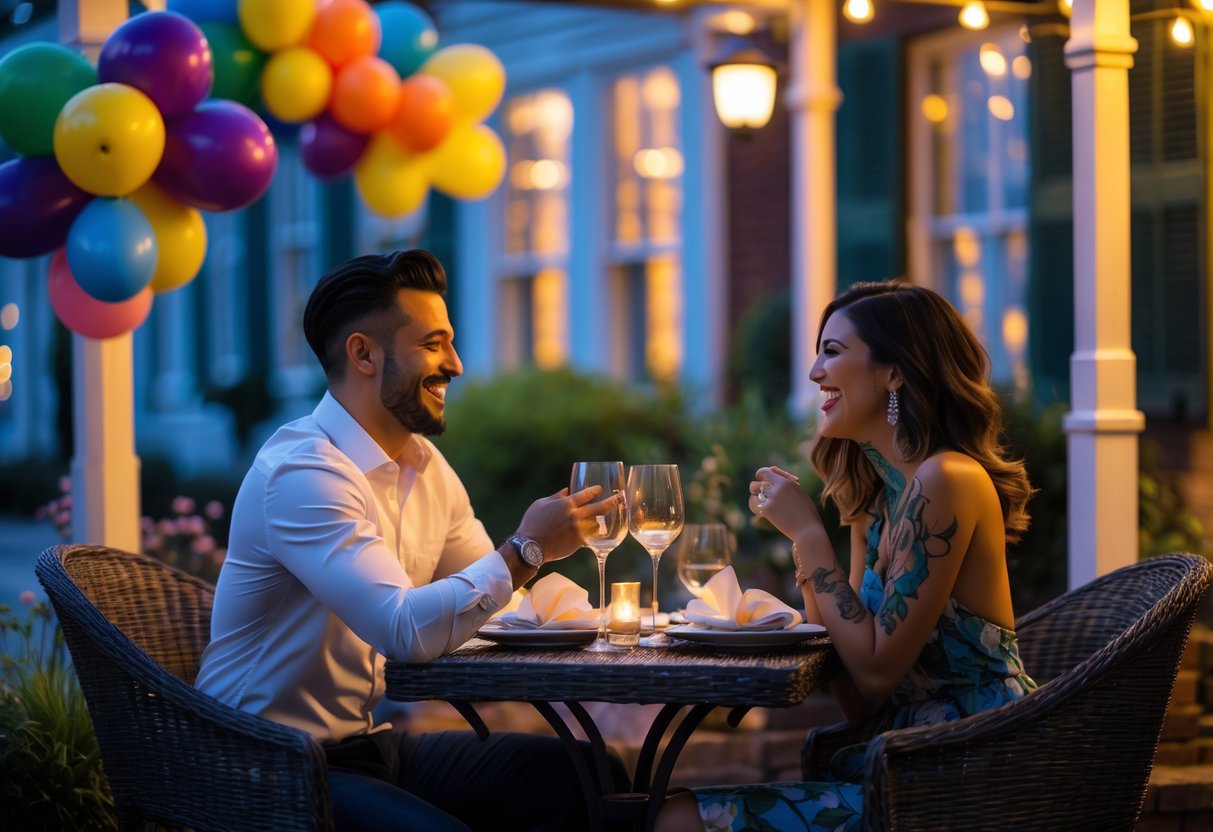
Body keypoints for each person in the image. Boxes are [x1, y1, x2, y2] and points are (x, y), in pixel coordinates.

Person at [195, 249, 624, 831]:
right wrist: (527, 549)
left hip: (365, 748)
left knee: (592, 776)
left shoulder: (423, 463)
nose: (457, 364)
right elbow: (404, 628)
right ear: (363, 353)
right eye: (434, 344)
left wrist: (604, 619)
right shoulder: (303, 474)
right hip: (260, 765)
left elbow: (492, 603)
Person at [657, 280, 1038, 831]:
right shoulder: (878, 498)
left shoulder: (947, 479)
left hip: (977, 770)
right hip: (902, 761)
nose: (814, 373)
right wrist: (805, 548)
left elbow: (878, 673)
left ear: (895, 371)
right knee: (672, 811)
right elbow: (859, 695)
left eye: (832, 352)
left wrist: (811, 536)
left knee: (679, 820)